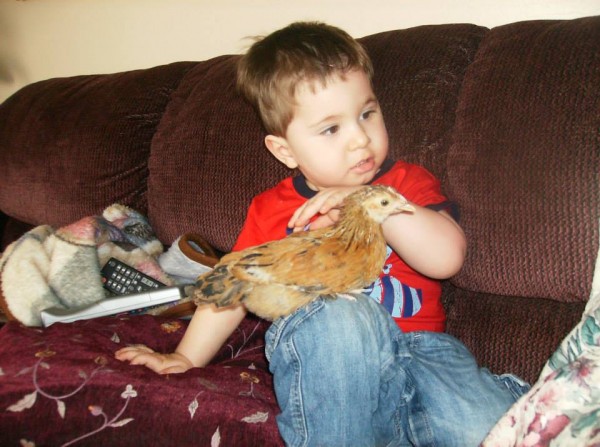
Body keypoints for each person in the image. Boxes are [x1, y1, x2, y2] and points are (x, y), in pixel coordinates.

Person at [116, 21, 528, 446]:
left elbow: (446, 259)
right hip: (334, 357)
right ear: (285, 150)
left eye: (367, 114)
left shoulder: (405, 184)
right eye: (331, 129)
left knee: (489, 430)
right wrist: (186, 355)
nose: (359, 140)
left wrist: (372, 203)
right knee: (339, 316)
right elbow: (234, 287)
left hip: (424, 354)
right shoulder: (272, 210)